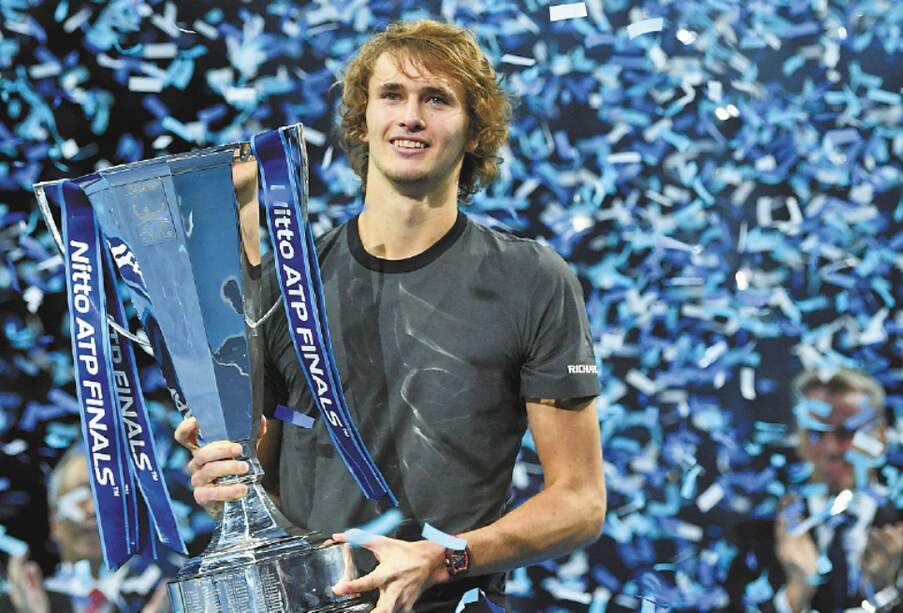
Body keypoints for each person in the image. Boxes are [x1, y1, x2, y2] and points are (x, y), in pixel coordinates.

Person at [175, 18, 606, 613]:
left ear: (475, 131)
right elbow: (260, 484)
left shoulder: (532, 280)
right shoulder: (285, 285)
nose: (411, 117)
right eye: (392, 95)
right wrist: (225, 486)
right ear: (362, 120)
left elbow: (580, 501)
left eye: (437, 99)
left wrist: (444, 559)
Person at [724, 368, 903, 612]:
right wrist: (795, 594)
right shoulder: (756, 537)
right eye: (817, 433)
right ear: (800, 437)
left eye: (846, 432)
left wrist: (883, 593)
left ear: (879, 436)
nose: (831, 449)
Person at [2, 444, 169, 613]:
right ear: (54, 523)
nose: (93, 510)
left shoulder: (169, 594)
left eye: (108, 495)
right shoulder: (17, 604)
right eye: (79, 497)